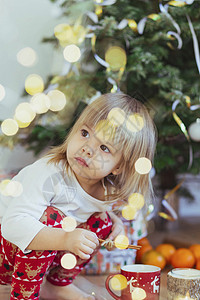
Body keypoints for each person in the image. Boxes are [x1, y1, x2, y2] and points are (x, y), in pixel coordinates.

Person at [0, 92, 157, 300]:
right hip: (6, 255)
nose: (87, 148)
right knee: (51, 219)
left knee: (102, 222)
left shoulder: (105, 189)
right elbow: (13, 225)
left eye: (104, 147)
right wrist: (65, 238)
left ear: (118, 167)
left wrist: (115, 222)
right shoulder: (48, 175)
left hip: (32, 258)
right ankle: (24, 295)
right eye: (84, 133)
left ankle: (57, 285)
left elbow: (86, 206)